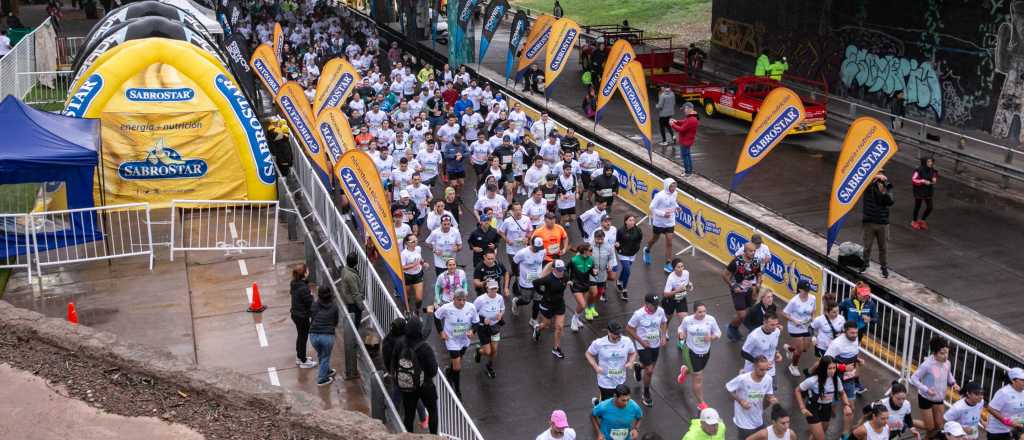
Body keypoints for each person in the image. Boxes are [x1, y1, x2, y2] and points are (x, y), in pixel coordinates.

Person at [392, 316, 439, 434]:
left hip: (407, 385)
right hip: (425, 385)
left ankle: (409, 436)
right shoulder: (425, 347)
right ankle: (433, 436)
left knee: (409, 415)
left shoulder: (400, 343)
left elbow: (394, 362)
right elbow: (433, 371)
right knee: (432, 411)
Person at [910, 336, 960, 438]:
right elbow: (914, 378)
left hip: (939, 398)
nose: (945, 356)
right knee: (929, 426)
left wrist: (953, 383)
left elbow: (948, 374)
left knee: (939, 425)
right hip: (925, 398)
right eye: (942, 353)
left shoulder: (947, 363)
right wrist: (926, 390)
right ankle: (906, 421)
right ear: (934, 352)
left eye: (947, 352)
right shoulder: (927, 364)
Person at [434, 289, 478, 398]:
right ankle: (457, 391)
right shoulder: (447, 308)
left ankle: (449, 371)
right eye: (459, 300)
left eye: (464, 300)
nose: (462, 302)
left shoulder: (471, 307)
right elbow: (436, 316)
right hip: (451, 339)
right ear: (454, 299)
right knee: (457, 367)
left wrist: (472, 331)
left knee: (457, 361)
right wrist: (441, 332)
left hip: (464, 340)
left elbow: (476, 323)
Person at [796, 355, 853, 440]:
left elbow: (842, 393)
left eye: (834, 368)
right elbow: (797, 390)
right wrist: (802, 407)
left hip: (826, 408)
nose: (832, 371)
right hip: (813, 409)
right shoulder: (813, 380)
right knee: (821, 438)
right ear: (823, 368)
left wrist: (846, 405)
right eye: (829, 368)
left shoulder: (836, 380)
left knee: (817, 435)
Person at [626, 294, 667, 407]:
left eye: (657, 304)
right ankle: (646, 393)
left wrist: (663, 336)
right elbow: (629, 328)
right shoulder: (638, 314)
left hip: (656, 344)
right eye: (654, 305)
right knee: (649, 370)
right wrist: (641, 341)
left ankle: (639, 367)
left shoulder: (660, 311)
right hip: (643, 346)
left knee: (650, 367)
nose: (656, 307)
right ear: (647, 304)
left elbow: (663, 322)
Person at [677, 302, 720, 405]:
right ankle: (702, 403)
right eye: (700, 312)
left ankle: (685, 371)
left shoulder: (710, 319)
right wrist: (681, 334)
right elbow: (680, 329)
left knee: (696, 371)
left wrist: (711, 338)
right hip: (691, 351)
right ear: (694, 312)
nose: (703, 314)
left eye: (704, 311)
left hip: (705, 352)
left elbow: (718, 333)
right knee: (698, 377)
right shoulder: (687, 320)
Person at [726, 356, 777, 440]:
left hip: (758, 418)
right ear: (754, 366)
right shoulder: (743, 379)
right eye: (761, 369)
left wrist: (771, 399)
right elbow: (728, 388)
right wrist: (741, 401)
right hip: (743, 421)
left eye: (766, 370)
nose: (763, 373)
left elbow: (769, 395)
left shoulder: (768, 379)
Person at [586, 321, 638, 404]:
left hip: (620, 380)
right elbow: (588, 354)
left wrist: (631, 362)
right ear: (609, 332)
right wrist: (595, 367)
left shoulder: (626, 341)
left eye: (619, 335)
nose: (618, 337)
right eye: (615, 335)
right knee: (607, 406)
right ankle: (598, 405)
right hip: (605, 381)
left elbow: (633, 353)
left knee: (619, 403)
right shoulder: (599, 343)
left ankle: (597, 402)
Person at [723, 243, 762, 341]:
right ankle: (731, 328)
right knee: (742, 315)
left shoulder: (756, 261)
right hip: (738, 290)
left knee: (746, 313)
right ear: (744, 251)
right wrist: (733, 286)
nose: (753, 253)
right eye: (750, 251)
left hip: (751, 291)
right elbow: (724, 275)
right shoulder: (736, 262)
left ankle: (735, 329)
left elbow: (759, 274)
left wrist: (758, 283)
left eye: (754, 251)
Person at [532, 259, 570, 359]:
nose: (561, 271)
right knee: (545, 325)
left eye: (562, 269)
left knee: (560, 327)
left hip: (559, 304)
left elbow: (566, 281)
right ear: (554, 269)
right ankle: (537, 328)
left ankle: (556, 348)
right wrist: (542, 293)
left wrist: (569, 282)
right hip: (547, 305)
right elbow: (535, 282)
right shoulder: (548, 279)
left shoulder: (565, 275)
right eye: (559, 270)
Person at [644, 178, 681, 272]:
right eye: (671, 186)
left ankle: (668, 263)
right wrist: (663, 214)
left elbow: (673, 202)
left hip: (670, 222)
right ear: (667, 186)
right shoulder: (659, 196)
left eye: (675, 186)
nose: (673, 188)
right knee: (654, 239)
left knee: (669, 242)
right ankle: (647, 250)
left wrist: (677, 207)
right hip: (659, 222)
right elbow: (651, 207)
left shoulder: (675, 193)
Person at [861, 171, 894, 277]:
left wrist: (885, 191)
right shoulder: (868, 187)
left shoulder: (887, 188)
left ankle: (884, 267)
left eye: (882, 176)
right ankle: (865, 264)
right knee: (867, 246)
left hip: (883, 223)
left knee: (883, 248)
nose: (881, 179)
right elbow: (863, 180)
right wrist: (874, 177)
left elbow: (891, 201)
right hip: (869, 222)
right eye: (879, 175)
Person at [781, 280, 815, 377]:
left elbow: (813, 310)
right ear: (800, 289)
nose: (807, 292)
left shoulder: (813, 298)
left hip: (807, 326)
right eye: (805, 290)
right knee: (799, 349)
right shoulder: (794, 301)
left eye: (808, 290)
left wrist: (813, 319)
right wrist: (794, 320)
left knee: (805, 348)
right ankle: (793, 366)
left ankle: (789, 349)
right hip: (795, 327)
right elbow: (784, 313)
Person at [473, 279, 505, 378]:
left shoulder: (499, 298)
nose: (493, 290)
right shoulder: (480, 299)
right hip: (483, 328)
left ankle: (489, 366)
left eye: (495, 288)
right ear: (487, 289)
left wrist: (500, 314)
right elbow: (472, 312)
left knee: (494, 350)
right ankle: (479, 351)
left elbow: (502, 308)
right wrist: (482, 319)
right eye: (491, 288)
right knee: (488, 352)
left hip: (495, 327)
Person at [310, 286, 340, 386]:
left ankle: (327, 371)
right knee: (325, 357)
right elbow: (336, 321)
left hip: (313, 335)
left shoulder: (314, 305)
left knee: (321, 354)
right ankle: (322, 379)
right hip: (327, 335)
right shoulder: (334, 307)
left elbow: (313, 317)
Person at [513, 236, 548, 320]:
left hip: (538, 280)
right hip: (526, 282)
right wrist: (517, 275)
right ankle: (516, 302)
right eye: (536, 247)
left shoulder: (543, 251)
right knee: (526, 301)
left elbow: (541, 262)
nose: (538, 249)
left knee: (538, 301)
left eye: (540, 248)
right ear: (531, 244)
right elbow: (514, 263)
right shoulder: (522, 253)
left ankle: (533, 319)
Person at [290, 264, 317, 368]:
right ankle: (303, 361)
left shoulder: (294, 283)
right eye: (307, 270)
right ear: (304, 274)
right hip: (302, 316)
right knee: (303, 337)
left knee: (300, 336)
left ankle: (300, 356)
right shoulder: (303, 288)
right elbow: (310, 302)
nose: (308, 272)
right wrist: (311, 295)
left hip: (296, 314)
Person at [741, 311, 782, 379]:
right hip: (754, 369)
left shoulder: (777, 331)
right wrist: (759, 364)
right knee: (753, 389)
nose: (775, 327)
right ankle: (742, 376)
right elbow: (743, 353)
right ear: (764, 322)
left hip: (770, 369)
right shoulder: (754, 336)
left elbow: (772, 346)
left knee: (772, 388)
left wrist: (777, 353)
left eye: (776, 324)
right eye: (772, 325)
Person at [986, 367, 1024, 439]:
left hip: (1016, 429)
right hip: (999, 431)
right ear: (1013, 381)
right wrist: (1008, 422)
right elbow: (990, 408)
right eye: (1022, 380)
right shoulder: (1004, 392)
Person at [615, 214, 643, 300]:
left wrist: (637, 248)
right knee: (627, 270)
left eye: (633, 220)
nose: (632, 222)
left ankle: (619, 281)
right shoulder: (620, 230)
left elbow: (640, 240)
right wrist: (618, 247)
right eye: (630, 220)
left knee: (625, 270)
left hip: (632, 254)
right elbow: (617, 241)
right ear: (625, 221)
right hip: (622, 253)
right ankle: (624, 290)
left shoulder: (638, 230)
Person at [568, 242, 596, 332]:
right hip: (576, 285)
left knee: (581, 305)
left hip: (586, 285)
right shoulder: (574, 260)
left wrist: (595, 272)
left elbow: (592, 271)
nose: (592, 252)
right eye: (590, 250)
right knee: (583, 305)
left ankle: (576, 319)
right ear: (585, 251)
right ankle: (574, 320)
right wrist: (568, 280)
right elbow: (565, 270)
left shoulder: (591, 260)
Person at [670, 103, 700, 176]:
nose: (684, 111)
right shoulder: (692, 117)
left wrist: (672, 125)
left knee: (685, 157)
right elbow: (684, 122)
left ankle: (687, 172)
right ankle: (689, 170)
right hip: (688, 141)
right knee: (687, 156)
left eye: (684, 109)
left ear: (689, 108)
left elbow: (681, 129)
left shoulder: (691, 119)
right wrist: (676, 121)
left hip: (685, 141)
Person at [339, 252, 365, 334]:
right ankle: (353, 341)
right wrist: (361, 306)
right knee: (355, 324)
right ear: (355, 263)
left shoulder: (345, 269)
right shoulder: (351, 276)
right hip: (353, 304)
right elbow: (355, 294)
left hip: (349, 301)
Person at [911, 157, 938, 230]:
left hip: (928, 191)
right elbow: (914, 180)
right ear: (924, 162)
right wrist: (923, 181)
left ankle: (922, 220)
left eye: (931, 162)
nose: (930, 163)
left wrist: (934, 178)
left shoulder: (932, 169)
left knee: (930, 207)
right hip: (919, 191)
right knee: (917, 207)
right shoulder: (918, 170)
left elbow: (934, 173)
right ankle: (914, 221)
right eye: (928, 162)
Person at [401, 234, 426, 313]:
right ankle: (407, 310)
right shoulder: (404, 253)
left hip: (418, 275)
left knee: (419, 298)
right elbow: (402, 267)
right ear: (407, 243)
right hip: (407, 276)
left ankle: (416, 311)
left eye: (416, 240)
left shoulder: (418, 248)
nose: (415, 242)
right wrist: (413, 265)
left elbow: (420, 259)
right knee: (407, 297)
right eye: (413, 241)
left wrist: (423, 263)